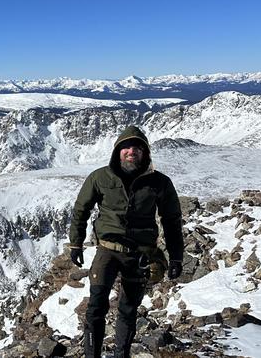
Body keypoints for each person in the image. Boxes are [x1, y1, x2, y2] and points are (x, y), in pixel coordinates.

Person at [68, 125, 184, 358]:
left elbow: (171, 220)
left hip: (140, 254)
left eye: (137, 147)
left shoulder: (160, 183)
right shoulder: (100, 177)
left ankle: (122, 354)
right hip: (107, 251)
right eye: (126, 147)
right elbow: (81, 209)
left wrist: (176, 256)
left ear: (145, 153)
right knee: (96, 306)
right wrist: (75, 243)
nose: (132, 151)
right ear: (117, 151)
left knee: (129, 308)